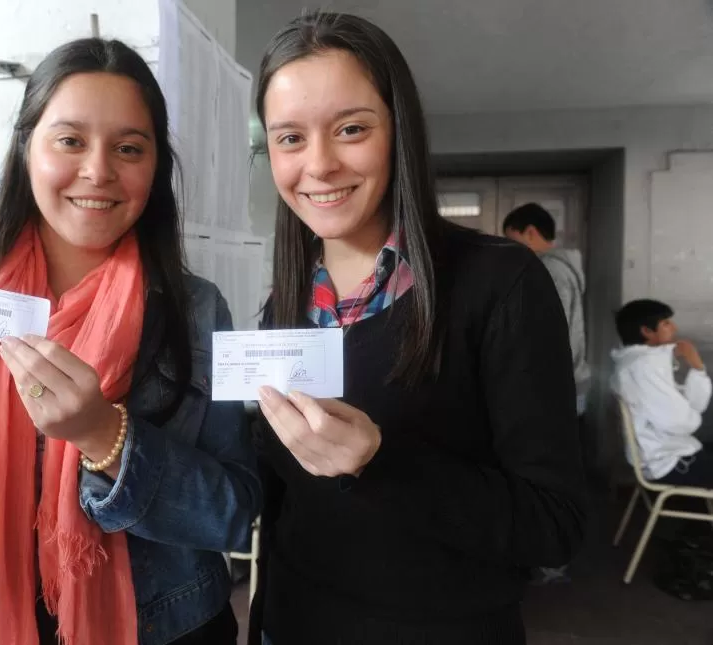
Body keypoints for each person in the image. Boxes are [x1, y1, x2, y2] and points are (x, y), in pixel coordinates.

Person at [0, 38, 260, 645]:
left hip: (166, 626)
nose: (98, 171)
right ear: (27, 148)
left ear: (155, 169)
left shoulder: (197, 311)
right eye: (70, 141)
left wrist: (106, 436)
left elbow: (233, 511)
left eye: (129, 148)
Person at [248, 12, 586, 645]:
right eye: (289, 138)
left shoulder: (501, 282)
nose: (318, 165)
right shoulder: (285, 304)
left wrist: (381, 463)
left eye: (351, 129)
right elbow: (286, 502)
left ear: (399, 133)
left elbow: (555, 524)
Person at [611, 299, 712, 487]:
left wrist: (697, 367)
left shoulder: (638, 361)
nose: (674, 327)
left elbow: (694, 406)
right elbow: (682, 424)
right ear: (646, 331)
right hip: (671, 463)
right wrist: (696, 366)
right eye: (666, 323)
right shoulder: (643, 367)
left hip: (672, 453)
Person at [503, 203, 591, 415]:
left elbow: (548, 331)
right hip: (567, 378)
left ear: (530, 232)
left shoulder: (548, 269)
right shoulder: (562, 266)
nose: (510, 247)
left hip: (554, 383)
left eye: (511, 239)